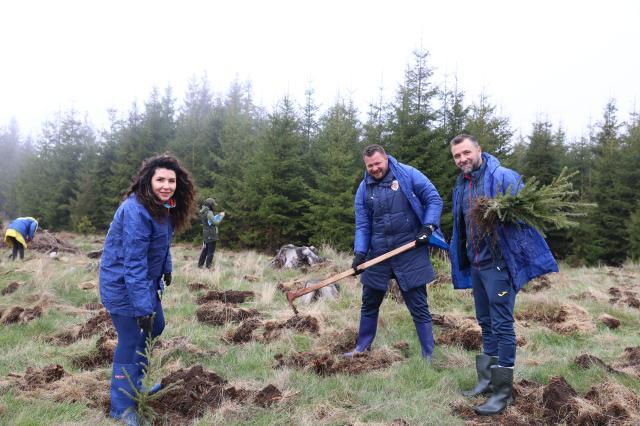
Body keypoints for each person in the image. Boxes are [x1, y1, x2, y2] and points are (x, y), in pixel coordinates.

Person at [449, 134, 558, 416]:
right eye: (457, 156)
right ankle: (487, 380)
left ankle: (503, 393)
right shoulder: (462, 184)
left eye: (466, 153)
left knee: (501, 324)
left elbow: (522, 216)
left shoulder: (502, 177)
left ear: (478, 150)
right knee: (485, 322)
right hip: (476, 265)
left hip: (498, 264)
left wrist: (499, 215)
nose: (462, 159)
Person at [99, 154, 196, 424]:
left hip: (143, 282)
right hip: (122, 284)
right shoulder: (135, 210)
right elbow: (134, 262)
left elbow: (161, 243)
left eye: (171, 180)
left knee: (156, 326)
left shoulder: (162, 206)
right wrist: (143, 307)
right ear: (147, 180)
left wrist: (167, 267)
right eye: (160, 180)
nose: (166, 185)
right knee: (130, 339)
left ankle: (136, 385)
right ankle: (121, 407)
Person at [347, 144, 445, 362]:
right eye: (370, 165)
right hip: (378, 253)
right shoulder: (364, 189)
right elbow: (363, 225)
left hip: (409, 249)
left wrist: (428, 228)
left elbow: (433, 198)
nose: (374, 168)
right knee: (369, 302)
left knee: (418, 304)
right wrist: (360, 253)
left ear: (386, 159)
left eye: (378, 163)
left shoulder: (408, 174)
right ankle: (361, 348)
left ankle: (428, 355)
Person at [197, 198, 225, 269]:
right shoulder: (209, 212)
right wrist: (221, 216)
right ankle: (208, 267)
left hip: (206, 233)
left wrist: (218, 215)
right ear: (210, 205)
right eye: (213, 205)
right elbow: (216, 222)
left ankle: (200, 265)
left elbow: (210, 221)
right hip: (211, 234)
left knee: (205, 250)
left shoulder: (204, 211)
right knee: (211, 251)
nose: (214, 206)